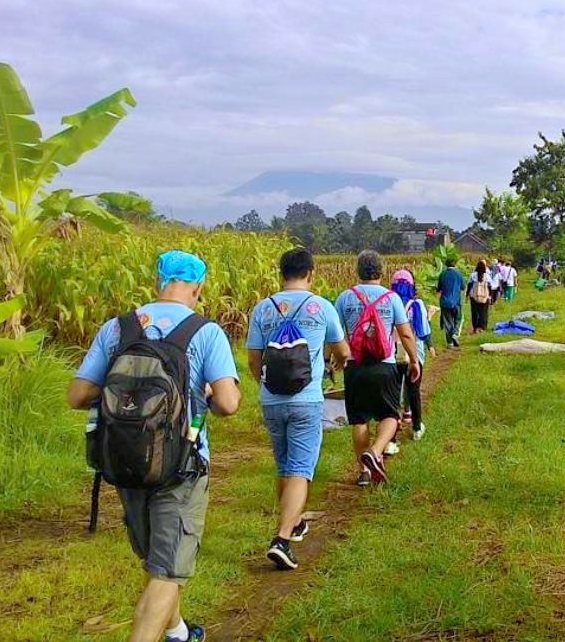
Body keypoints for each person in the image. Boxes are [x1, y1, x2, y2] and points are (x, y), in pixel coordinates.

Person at [67, 250, 240, 642]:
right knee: (165, 573)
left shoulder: (118, 328)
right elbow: (228, 404)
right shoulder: (204, 331)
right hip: (181, 465)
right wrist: (210, 394)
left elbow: (77, 395)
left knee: (158, 558)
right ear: (197, 287)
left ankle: (178, 632)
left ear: (158, 280)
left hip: (125, 460)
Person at [246, 248, 350, 571]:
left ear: (281, 274)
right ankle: (281, 539)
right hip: (307, 400)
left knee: (284, 465)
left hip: (271, 400)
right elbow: (343, 350)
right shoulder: (322, 307)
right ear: (312, 273)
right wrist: (334, 364)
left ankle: (293, 523)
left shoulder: (263, 309)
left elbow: (253, 359)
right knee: (301, 470)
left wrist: (264, 384)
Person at [334, 250, 422, 486]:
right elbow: (405, 332)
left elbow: (334, 335)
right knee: (390, 415)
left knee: (359, 419)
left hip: (355, 365)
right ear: (381, 271)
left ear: (358, 271)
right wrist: (414, 360)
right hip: (385, 366)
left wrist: (333, 360)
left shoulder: (345, 297)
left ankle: (364, 471)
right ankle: (375, 451)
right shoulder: (391, 298)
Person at [390, 269, 431, 443]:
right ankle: (416, 428)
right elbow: (423, 331)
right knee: (414, 392)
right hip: (414, 355)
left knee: (392, 395)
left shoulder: (388, 302)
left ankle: (391, 437)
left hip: (392, 356)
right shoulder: (417, 304)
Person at [436, 256, 464, 348]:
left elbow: (438, 288)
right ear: (455, 264)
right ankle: (455, 333)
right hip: (456, 301)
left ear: (446, 265)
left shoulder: (442, 274)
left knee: (448, 322)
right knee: (458, 319)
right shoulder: (459, 274)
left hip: (444, 301)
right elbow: (463, 287)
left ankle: (450, 343)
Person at [468, 259, 492, 333]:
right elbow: (491, 287)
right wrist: (490, 296)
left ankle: (475, 327)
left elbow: (469, 285)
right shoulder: (487, 276)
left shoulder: (473, 275)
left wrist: (467, 295)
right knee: (484, 312)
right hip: (485, 297)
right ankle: (482, 327)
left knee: (474, 312)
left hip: (474, 296)